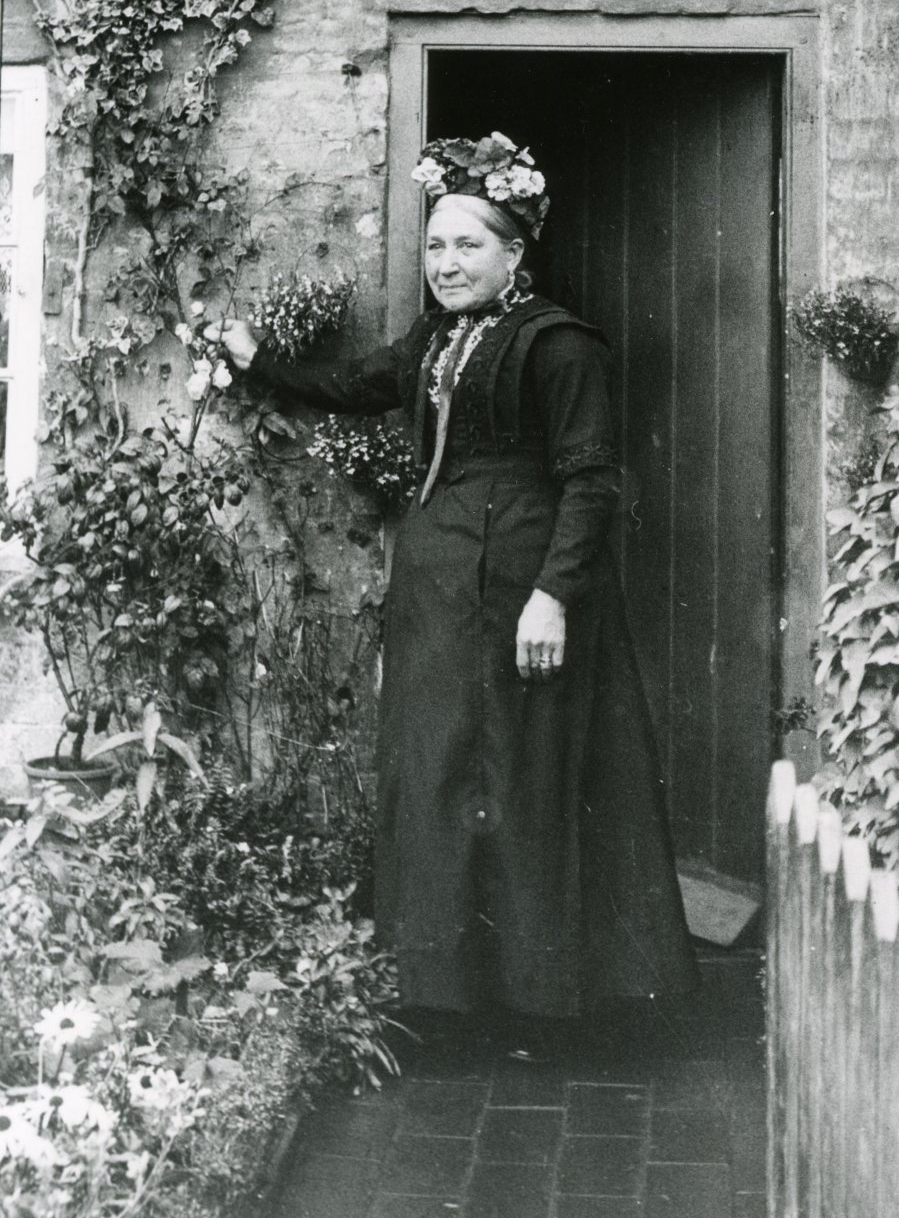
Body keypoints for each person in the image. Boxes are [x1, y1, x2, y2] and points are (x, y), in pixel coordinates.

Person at [208, 131, 696, 1021]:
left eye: (468, 244)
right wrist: (256, 358)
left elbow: (591, 478)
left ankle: (542, 993)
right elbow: (356, 383)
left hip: (521, 590)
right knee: (438, 768)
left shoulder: (559, 346)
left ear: (515, 254)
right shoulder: (436, 338)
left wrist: (552, 597)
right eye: (435, 245)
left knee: (522, 774)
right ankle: (444, 990)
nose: (446, 261)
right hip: (438, 587)